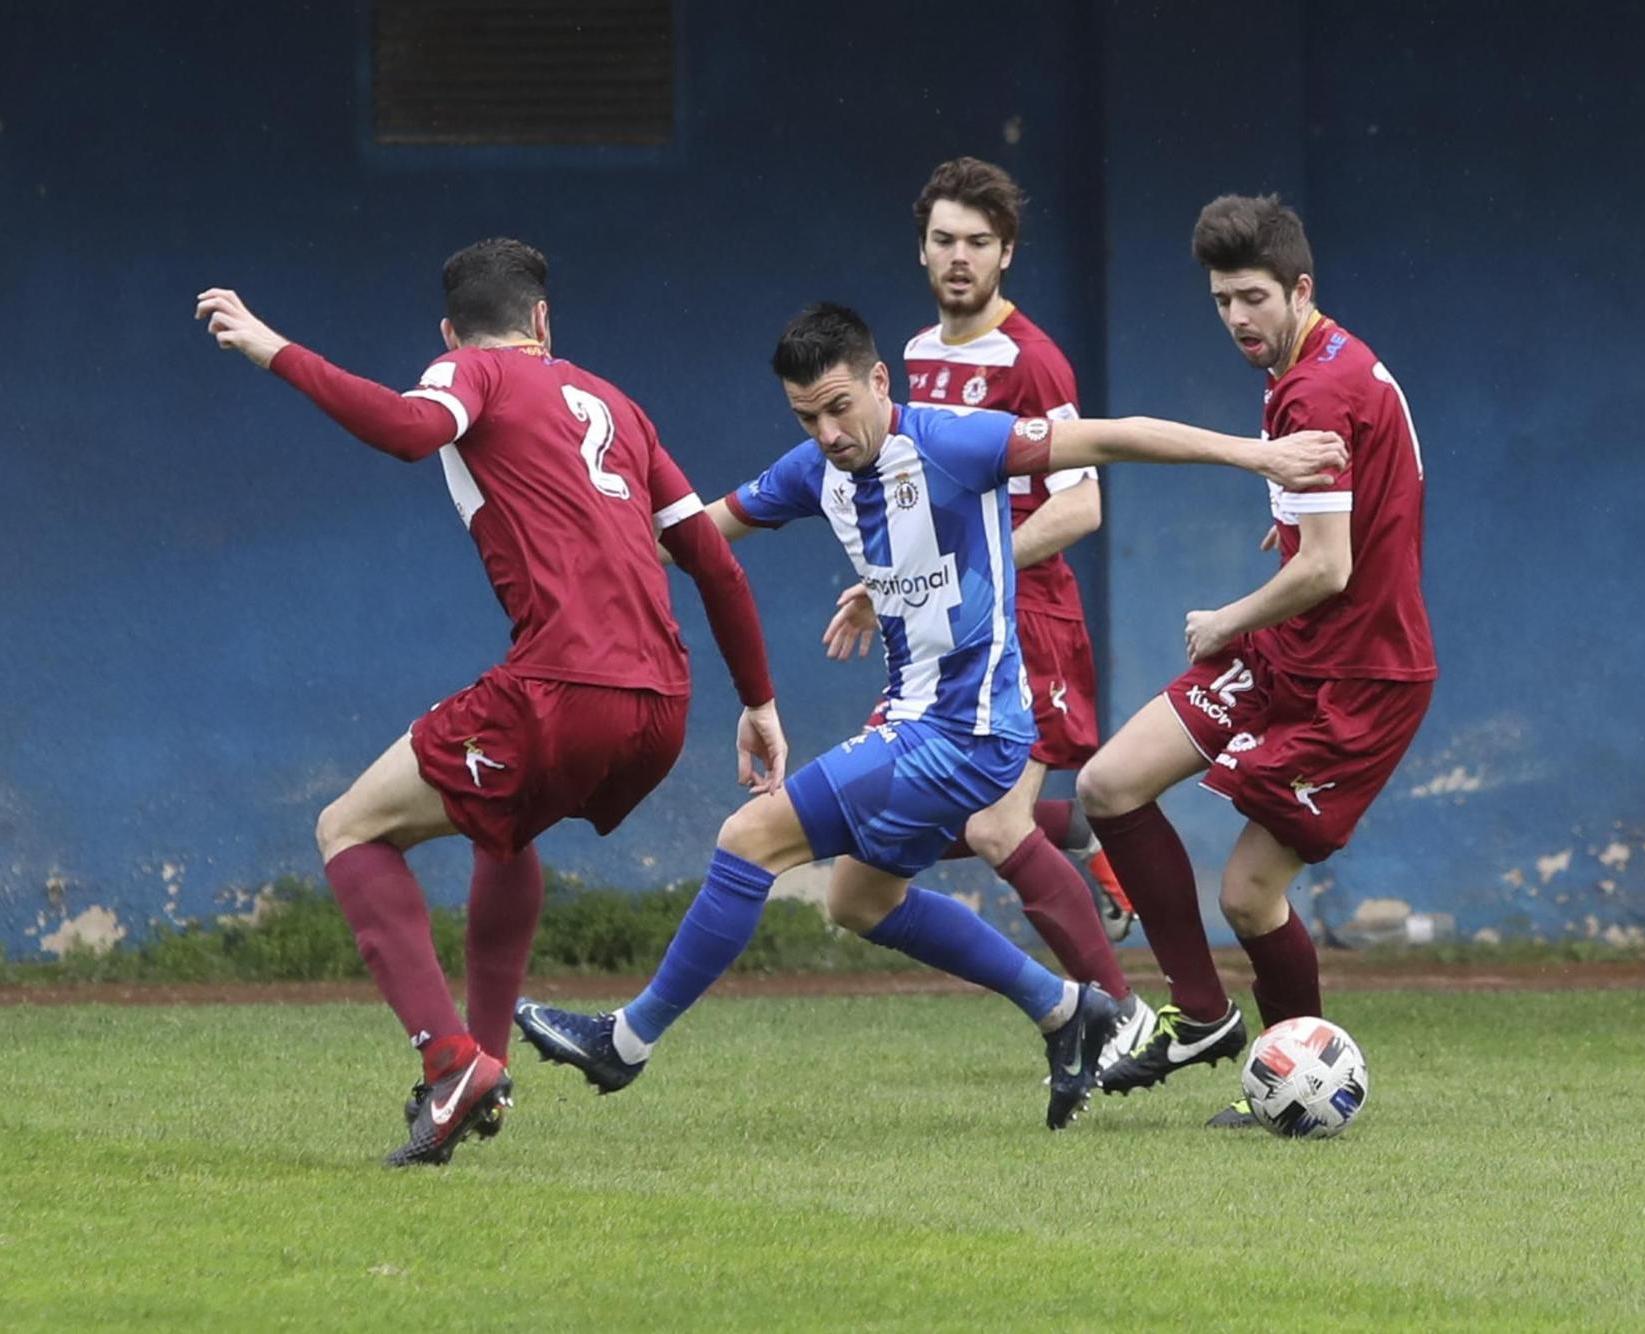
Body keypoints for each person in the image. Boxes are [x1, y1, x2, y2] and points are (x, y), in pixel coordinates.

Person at [516, 302, 1346, 1131]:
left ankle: (624, 1043)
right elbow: (696, 536)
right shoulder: (814, 470)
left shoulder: (954, 442)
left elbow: (1115, 435)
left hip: (962, 731)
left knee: (748, 838)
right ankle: (1069, 1012)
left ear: (881, 381)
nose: (830, 432)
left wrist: (1258, 455)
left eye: (841, 407)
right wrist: (582, 514)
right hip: (920, 721)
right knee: (859, 901)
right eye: (808, 416)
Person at [195, 238, 786, 1166]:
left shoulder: (471, 371)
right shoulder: (619, 406)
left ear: (452, 331)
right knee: (503, 830)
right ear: (544, 321)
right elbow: (715, 562)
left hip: (567, 686)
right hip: (664, 705)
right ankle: (488, 1074)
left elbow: (406, 429)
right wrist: (759, 702)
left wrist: (272, 346)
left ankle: (448, 1064)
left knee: (347, 829)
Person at [1075, 195, 1436, 1127]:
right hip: (1289, 654)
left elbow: (1329, 567)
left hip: (1356, 680)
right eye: (1221, 300)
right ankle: (1200, 1015)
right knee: (1110, 786)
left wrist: (1227, 618)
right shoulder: (1313, 367)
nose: (1237, 317)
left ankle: (1304, 1088)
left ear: (1299, 289)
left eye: (1252, 297)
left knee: (1246, 893)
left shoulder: (1318, 390)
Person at [820, 158, 1153, 1070]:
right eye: (943, 241)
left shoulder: (1031, 358)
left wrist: (973, 569)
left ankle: (1123, 1025)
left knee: (993, 827)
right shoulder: (915, 359)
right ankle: (1076, 836)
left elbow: (1081, 506)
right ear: (920, 249)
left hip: (1028, 625)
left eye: (977, 242)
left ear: (1006, 252)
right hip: (941, 636)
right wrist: (890, 579)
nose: (958, 258)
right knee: (901, 842)